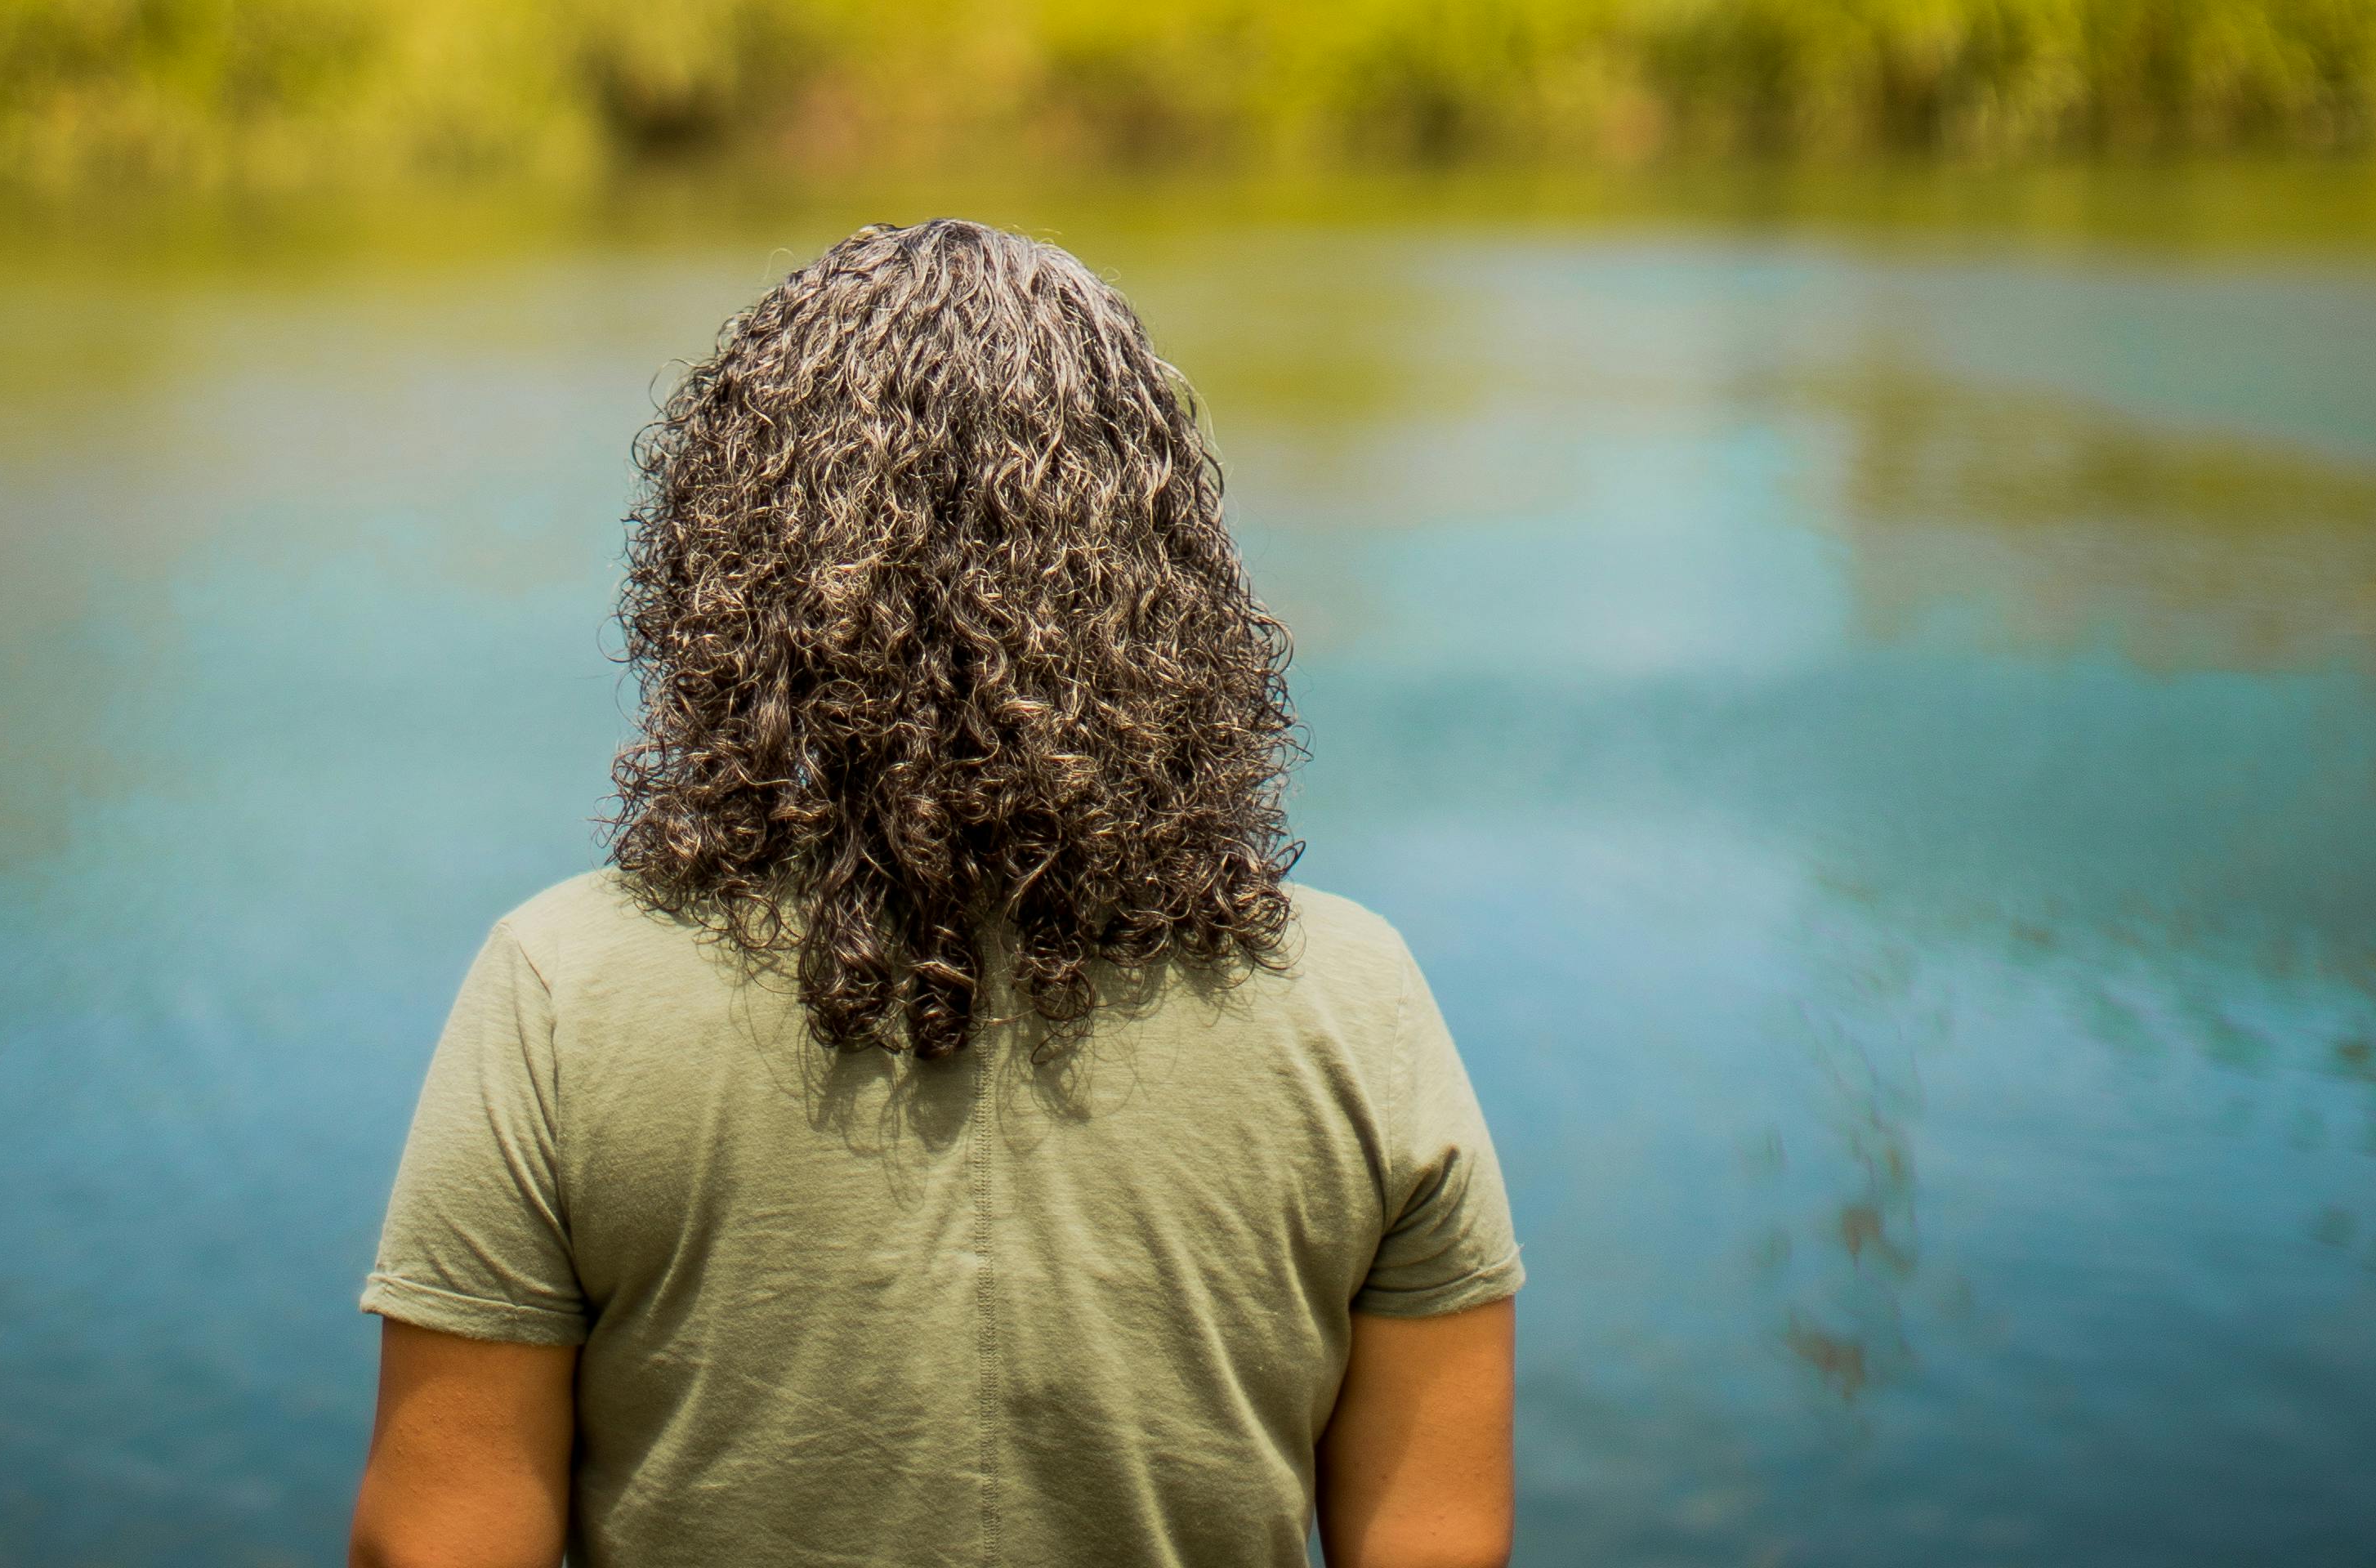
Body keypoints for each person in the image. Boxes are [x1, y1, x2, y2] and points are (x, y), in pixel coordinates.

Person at [349, 217, 1520, 1568]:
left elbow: (435, 1548)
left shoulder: (561, 993)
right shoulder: (1356, 1008)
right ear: (1163, 558)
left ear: (739, 563)